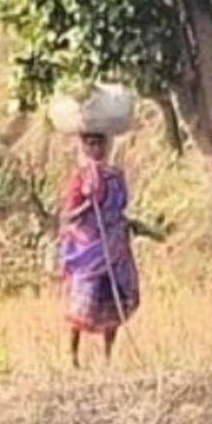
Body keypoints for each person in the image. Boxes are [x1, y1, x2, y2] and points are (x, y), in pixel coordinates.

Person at [55, 131, 140, 366]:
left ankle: (107, 357)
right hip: (89, 247)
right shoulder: (81, 178)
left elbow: (120, 207)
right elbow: (68, 215)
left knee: (114, 299)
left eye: (99, 143)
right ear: (83, 147)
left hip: (114, 244)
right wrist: (87, 204)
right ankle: (72, 357)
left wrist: (126, 225)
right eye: (90, 144)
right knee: (83, 301)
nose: (95, 149)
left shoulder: (116, 176)